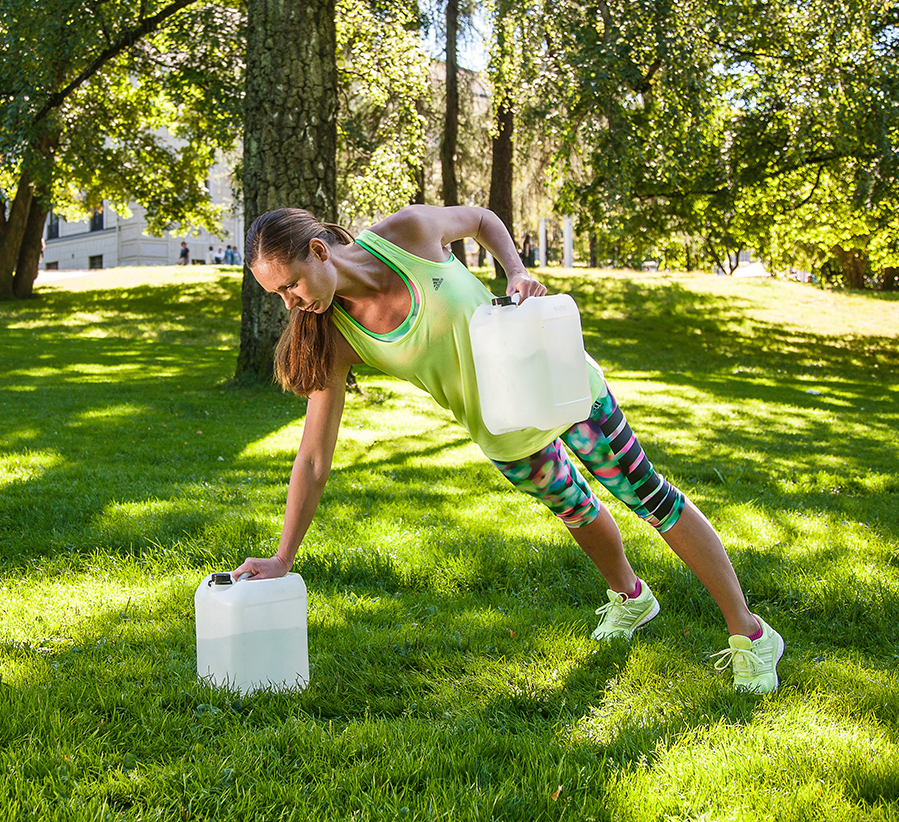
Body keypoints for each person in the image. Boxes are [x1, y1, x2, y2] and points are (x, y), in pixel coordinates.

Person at [232, 205, 785, 693]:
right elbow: (312, 457)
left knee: (649, 497)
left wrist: (515, 269)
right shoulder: (334, 335)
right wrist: (283, 558)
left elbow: (480, 219)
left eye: (290, 286)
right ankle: (631, 597)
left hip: (559, 384)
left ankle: (751, 633)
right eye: (278, 294)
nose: (290, 304)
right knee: (577, 509)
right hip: (502, 431)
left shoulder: (405, 234)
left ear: (319, 252)